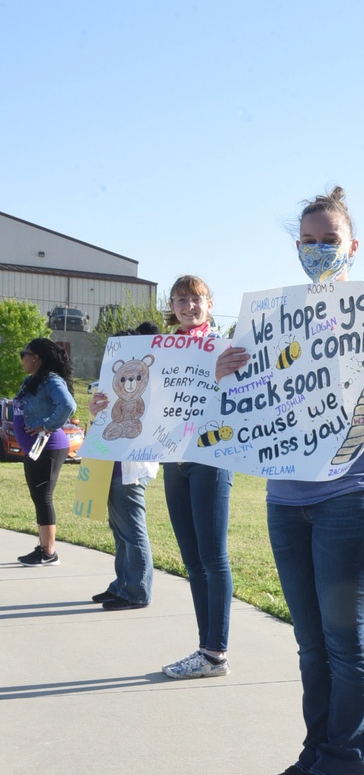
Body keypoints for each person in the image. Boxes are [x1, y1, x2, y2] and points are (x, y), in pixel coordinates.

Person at [216, 186, 364, 775]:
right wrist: (227, 378)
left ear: (353, 247)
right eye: (309, 242)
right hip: (286, 501)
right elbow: (245, 417)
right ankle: (315, 755)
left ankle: (346, 765)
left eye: (329, 241)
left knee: (343, 641)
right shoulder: (270, 323)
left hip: (350, 499)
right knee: (310, 642)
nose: (318, 250)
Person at [90, 279, 233, 674]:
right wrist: (103, 403)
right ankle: (207, 650)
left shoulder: (224, 347)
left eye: (196, 299)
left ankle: (215, 652)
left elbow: (244, 401)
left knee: (213, 558)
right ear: (171, 305)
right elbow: (136, 402)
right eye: (181, 299)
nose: (189, 306)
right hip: (174, 461)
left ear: (210, 302)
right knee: (192, 559)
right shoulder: (156, 352)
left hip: (210, 458)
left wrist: (226, 377)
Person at [88, 322, 160, 611]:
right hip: (110, 461)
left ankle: (138, 590)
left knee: (132, 528)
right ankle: (123, 584)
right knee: (119, 529)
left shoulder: (149, 380)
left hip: (131, 465)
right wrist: (96, 411)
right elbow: (105, 421)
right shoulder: (116, 379)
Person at [14, 338, 76, 566]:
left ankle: (48, 552)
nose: (21, 357)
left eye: (24, 353)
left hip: (48, 446)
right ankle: (43, 546)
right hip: (34, 448)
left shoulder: (50, 381)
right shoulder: (32, 381)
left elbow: (68, 405)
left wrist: (47, 425)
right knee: (38, 497)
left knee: (43, 497)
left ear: (35, 357)